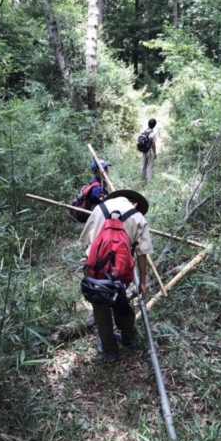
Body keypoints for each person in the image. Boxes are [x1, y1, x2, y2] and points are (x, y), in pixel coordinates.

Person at [79, 189, 153, 361]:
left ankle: (110, 350)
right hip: (121, 271)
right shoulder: (139, 218)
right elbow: (142, 254)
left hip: (96, 270)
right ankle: (129, 339)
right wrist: (142, 282)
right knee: (121, 301)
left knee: (100, 307)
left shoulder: (99, 208)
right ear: (135, 203)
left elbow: (88, 241)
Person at [140, 118, 157, 183]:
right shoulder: (153, 134)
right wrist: (155, 154)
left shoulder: (143, 132)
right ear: (154, 125)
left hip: (144, 151)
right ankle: (149, 181)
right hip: (150, 151)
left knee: (143, 165)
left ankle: (142, 180)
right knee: (150, 166)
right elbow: (153, 145)